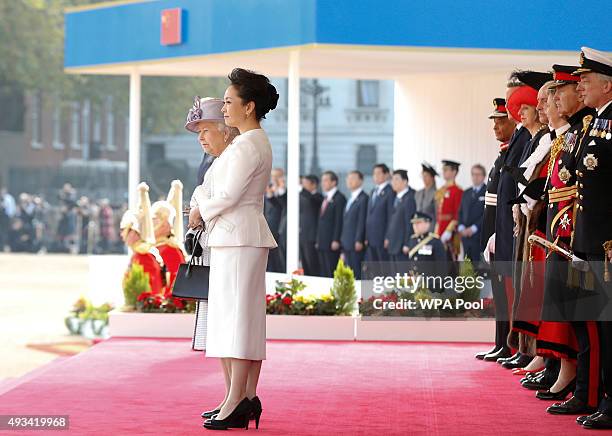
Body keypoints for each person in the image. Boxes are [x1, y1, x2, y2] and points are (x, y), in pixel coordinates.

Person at [191, 68, 278, 430]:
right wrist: (202, 203)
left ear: (249, 106)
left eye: (229, 102)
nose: (223, 108)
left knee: (239, 322)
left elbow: (225, 195)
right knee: (233, 321)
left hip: (240, 237)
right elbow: (213, 188)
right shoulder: (247, 142)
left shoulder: (249, 144)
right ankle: (240, 399)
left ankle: (238, 400)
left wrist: (199, 209)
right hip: (233, 237)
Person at [571, 47, 612, 429]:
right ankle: (588, 390)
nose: (580, 86)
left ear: (607, 84)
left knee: (606, 322)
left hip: (605, 243)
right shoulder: (592, 122)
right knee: (587, 319)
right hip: (585, 239)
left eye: (586, 81)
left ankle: (607, 398)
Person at [478, 97, 515, 361]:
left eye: (501, 121)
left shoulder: (510, 154)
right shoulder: (502, 154)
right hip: (494, 234)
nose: (495, 127)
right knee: (498, 294)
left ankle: (508, 343)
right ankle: (500, 343)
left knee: (505, 293)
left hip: (501, 235)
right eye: (494, 122)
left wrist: (495, 235)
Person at [119, 183, 165, 295]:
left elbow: (151, 290)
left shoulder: (143, 256)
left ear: (135, 233)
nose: (122, 235)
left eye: (126, 230)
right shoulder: (140, 253)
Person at [151, 180, 186, 290]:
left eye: (155, 219)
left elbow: (174, 285)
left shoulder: (171, 250)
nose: (151, 223)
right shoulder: (155, 246)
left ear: (165, 223)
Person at [316, 171, 347, 277]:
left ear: (334, 182)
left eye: (325, 180)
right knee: (324, 270)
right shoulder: (326, 198)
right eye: (322, 181)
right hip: (323, 241)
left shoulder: (339, 198)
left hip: (332, 242)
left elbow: (339, 221)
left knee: (331, 270)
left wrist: (336, 239)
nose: (323, 183)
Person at [340, 170, 369, 279]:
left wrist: (359, 240)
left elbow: (362, 221)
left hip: (355, 243)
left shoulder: (363, 198)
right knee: (348, 273)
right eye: (348, 178)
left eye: (353, 179)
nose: (349, 181)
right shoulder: (350, 198)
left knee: (357, 272)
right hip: (347, 242)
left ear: (361, 181)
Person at [384, 169, 416, 262]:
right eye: (392, 179)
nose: (393, 182)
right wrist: (387, 237)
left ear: (405, 181)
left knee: (402, 274)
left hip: (401, 245)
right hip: (393, 243)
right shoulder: (395, 197)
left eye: (396, 179)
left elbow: (409, 223)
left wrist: (407, 243)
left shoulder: (409, 198)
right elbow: (391, 220)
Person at [365, 163, 395, 262]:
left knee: (383, 268)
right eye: (374, 174)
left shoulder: (390, 191)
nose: (375, 176)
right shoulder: (373, 191)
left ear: (386, 175)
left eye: (378, 173)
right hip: (371, 238)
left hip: (382, 237)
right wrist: (366, 236)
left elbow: (391, 216)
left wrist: (388, 237)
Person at [434, 160, 463, 259]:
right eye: (443, 170)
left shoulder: (457, 190)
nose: (444, 172)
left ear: (454, 172)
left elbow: (457, 214)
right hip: (439, 228)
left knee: (450, 261)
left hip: (450, 231)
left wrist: (449, 230)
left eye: (446, 170)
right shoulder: (441, 190)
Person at [457, 164, 486, 263]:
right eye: (473, 174)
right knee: (466, 264)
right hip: (465, 235)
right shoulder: (466, 192)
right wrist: (461, 227)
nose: (475, 177)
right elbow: (460, 212)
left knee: (477, 266)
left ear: (483, 176)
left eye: (478, 174)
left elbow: (486, 215)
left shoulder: (487, 192)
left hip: (478, 235)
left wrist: (473, 228)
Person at [299, 175, 323, 276]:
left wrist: (301, 189)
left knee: (313, 265)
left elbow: (311, 199)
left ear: (314, 184)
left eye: (305, 183)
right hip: (303, 235)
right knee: (305, 266)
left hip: (312, 237)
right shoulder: (303, 196)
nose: (303, 186)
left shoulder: (318, 197)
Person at [265, 168, 287, 273]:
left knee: (280, 258)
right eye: (273, 176)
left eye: (277, 176)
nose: (274, 178)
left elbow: (283, 205)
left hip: (280, 228)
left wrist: (278, 191)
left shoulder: (284, 190)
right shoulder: (268, 188)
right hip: (268, 226)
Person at [415, 162, 438, 232]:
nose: (424, 178)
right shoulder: (418, 193)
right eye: (423, 176)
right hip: (418, 228)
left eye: (426, 176)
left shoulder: (436, 193)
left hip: (430, 228)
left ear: (432, 177)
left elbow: (437, 215)